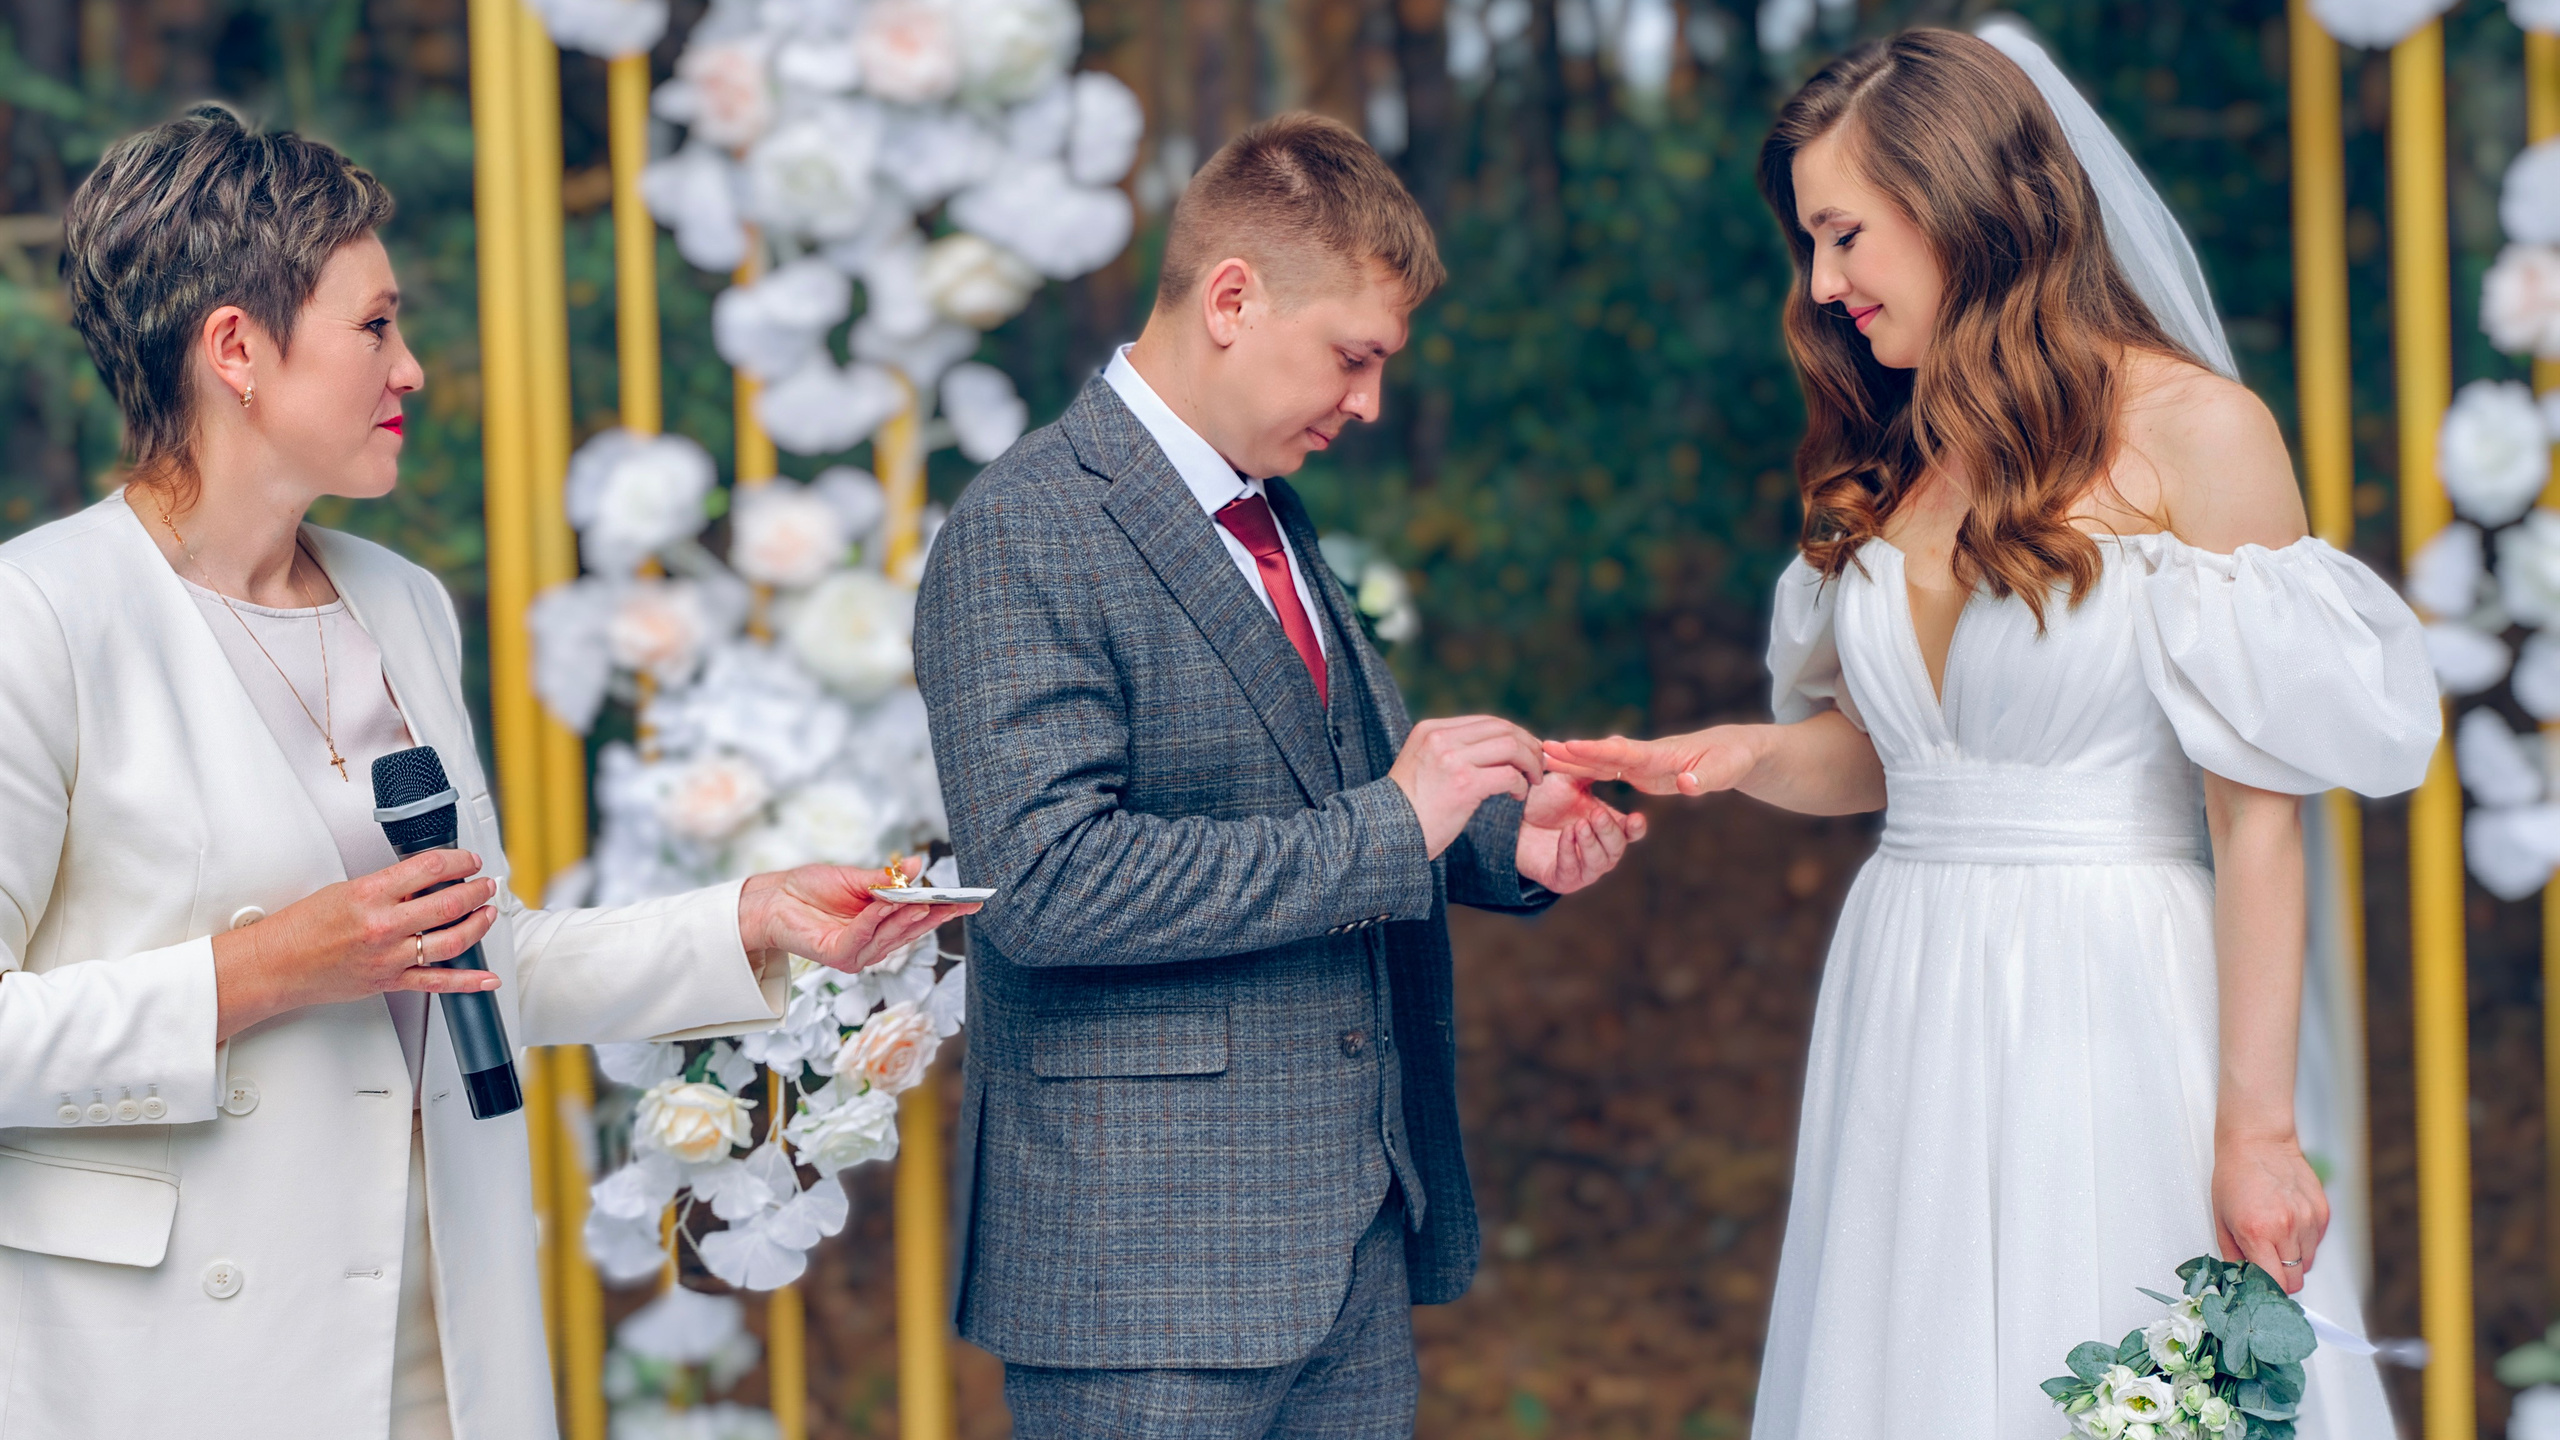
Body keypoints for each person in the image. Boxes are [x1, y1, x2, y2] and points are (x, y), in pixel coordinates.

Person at [0, 106, 978, 1439]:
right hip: (173, 1363)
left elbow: (481, 956)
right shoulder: (41, 618)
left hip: (435, 1338)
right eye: (373, 327)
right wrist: (269, 967)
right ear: (236, 350)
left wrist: (755, 917)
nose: (409, 368)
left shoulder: (400, 604)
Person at [1544, 27, 2437, 1440]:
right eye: (1810, 243)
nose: (1821, 283)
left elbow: (2257, 819)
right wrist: (1743, 756)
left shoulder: (2201, 434)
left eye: (1844, 233)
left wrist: (2259, 1129)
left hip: (2114, 995)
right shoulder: (1903, 450)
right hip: (1909, 991)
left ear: (1958, 199)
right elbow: (1902, 762)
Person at [914, 112, 1645, 1439]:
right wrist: (1397, 825)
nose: (1369, 404)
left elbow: (1342, 789)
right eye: (1354, 358)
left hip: (1347, 1242)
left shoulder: (1267, 511)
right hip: (1144, 1280)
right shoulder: (1023, 527)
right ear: (1233, 300)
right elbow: (1047, 884)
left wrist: (1502, 841)